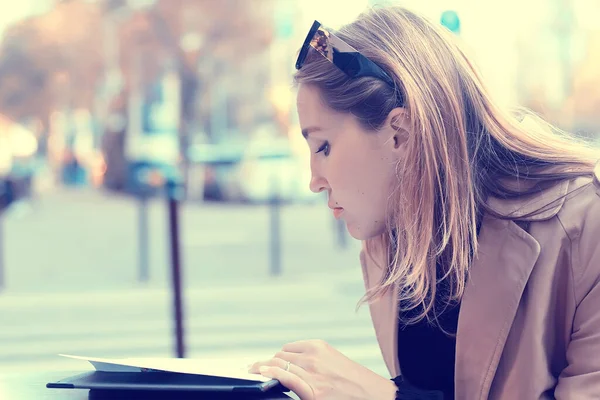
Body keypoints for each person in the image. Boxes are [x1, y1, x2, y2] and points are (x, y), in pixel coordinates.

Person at [249, 5, 600, 399]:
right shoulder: (386, 237)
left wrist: (382, 396)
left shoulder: (586, 225)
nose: (314, 180)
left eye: (323, 146)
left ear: (399, 133)